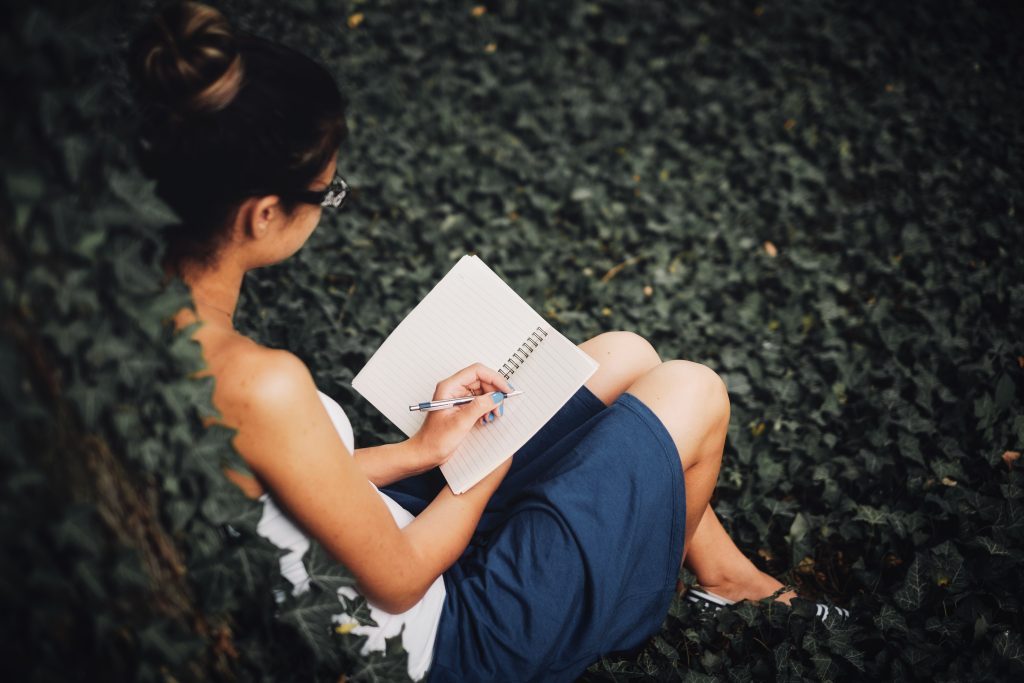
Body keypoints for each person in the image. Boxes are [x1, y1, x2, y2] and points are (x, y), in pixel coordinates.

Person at [131, 3, 845, 681]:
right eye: (328, 191)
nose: (331, 203)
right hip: (446, 638)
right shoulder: (264, 383)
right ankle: (614, 599)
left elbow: (280, 478)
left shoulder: (132, 325)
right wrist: (495, 451)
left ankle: (719, 575)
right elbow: (406, 579)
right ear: (262, 215)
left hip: (377, 530)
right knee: (696, 389)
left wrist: (424, 452)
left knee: (625, 354)